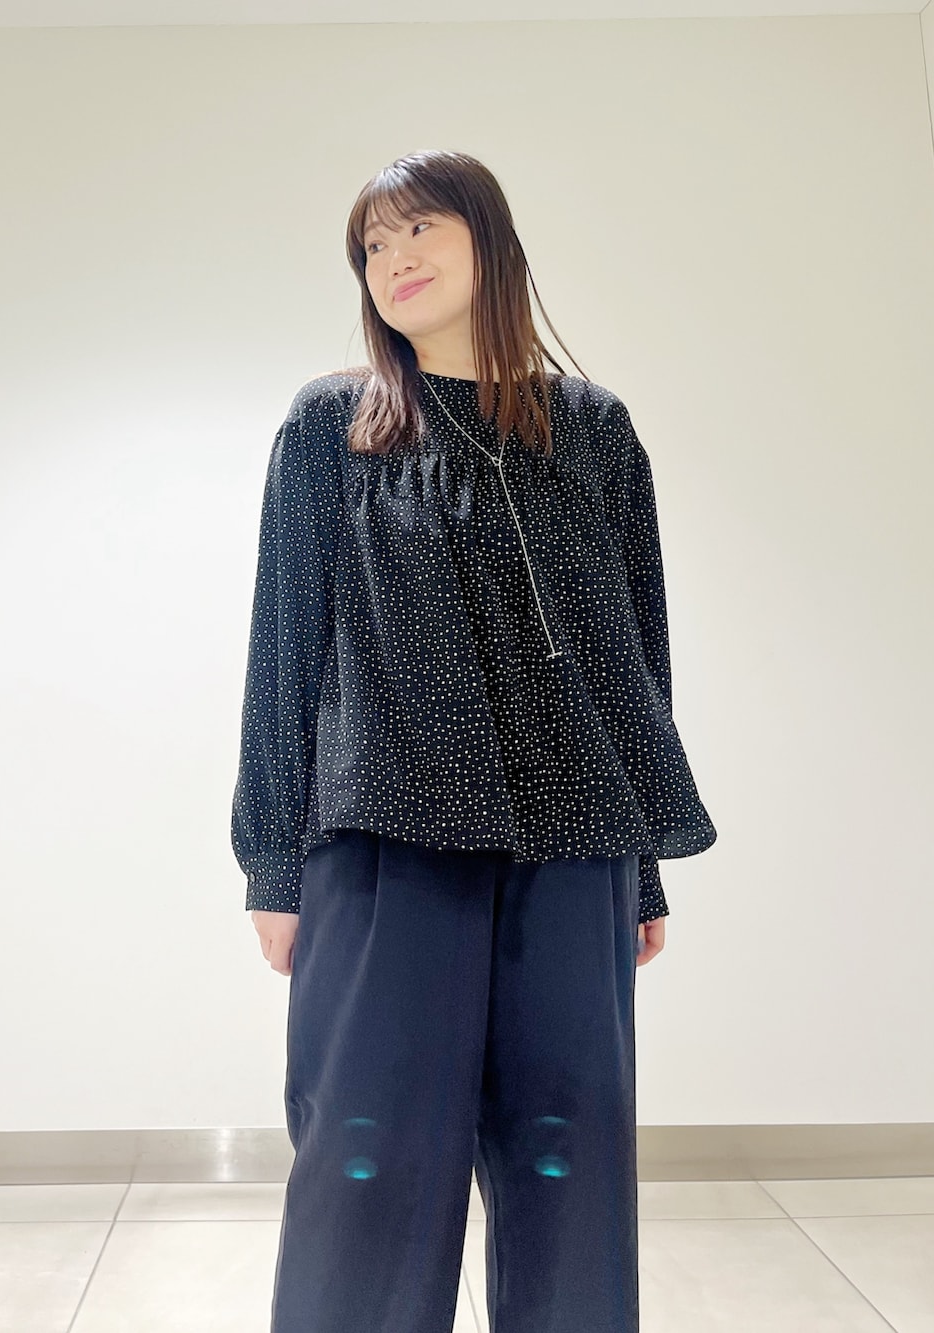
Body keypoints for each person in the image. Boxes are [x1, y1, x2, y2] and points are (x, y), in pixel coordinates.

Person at [231, 149, 717, 1333]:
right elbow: (285, 650)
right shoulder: (331, 427)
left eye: (418, 229)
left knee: (570, 1156)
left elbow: (636, 656)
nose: (392, 259)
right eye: (371, 245)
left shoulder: (594, 431)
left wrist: (645, 866)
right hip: (387, 845)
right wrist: (272, 864)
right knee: (369, 1162)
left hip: (577, 848)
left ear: (487, 241)